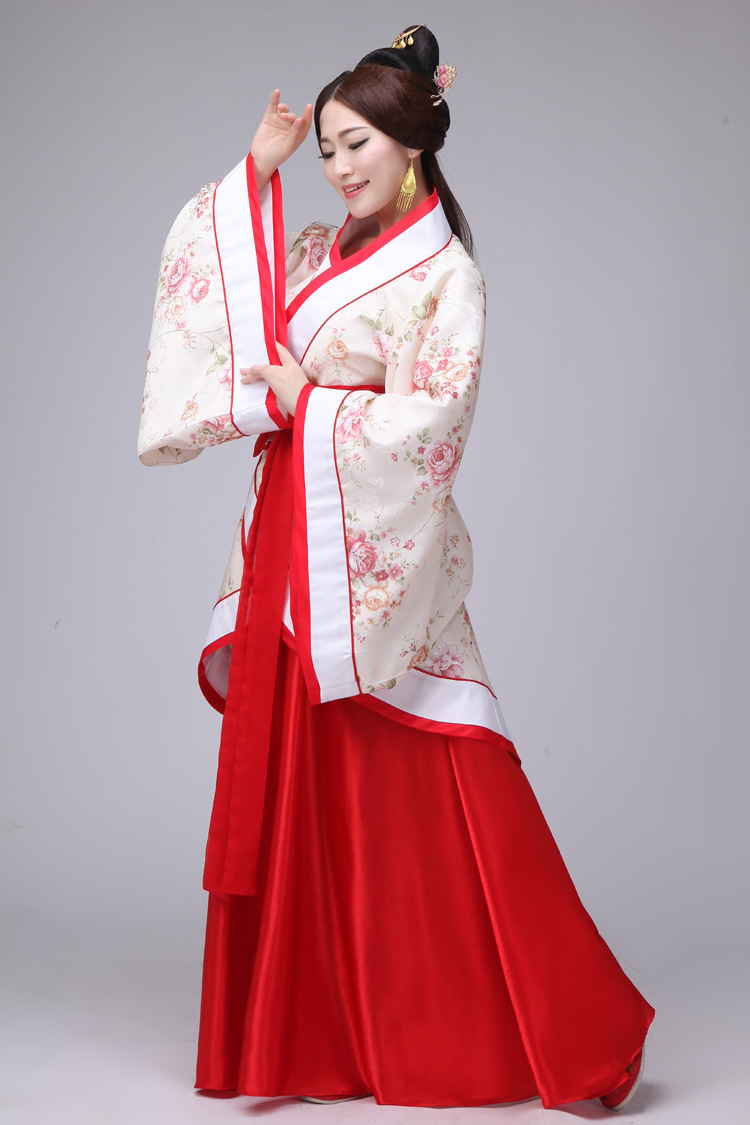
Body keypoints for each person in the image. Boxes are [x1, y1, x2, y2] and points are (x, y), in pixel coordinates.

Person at [139, 24, 654, 1113]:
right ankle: (310, 1031)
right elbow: (230, 307)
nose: (338, 166)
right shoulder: (319, 247)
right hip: (295, 537)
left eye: (356, 143)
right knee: (304, 778)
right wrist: (259, 171)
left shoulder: (445, 277)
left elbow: (432, 426)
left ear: (413, 139)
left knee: (420, 775)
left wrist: (310, 403)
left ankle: (508, 1024)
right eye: (328, 148)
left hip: (371, 547)